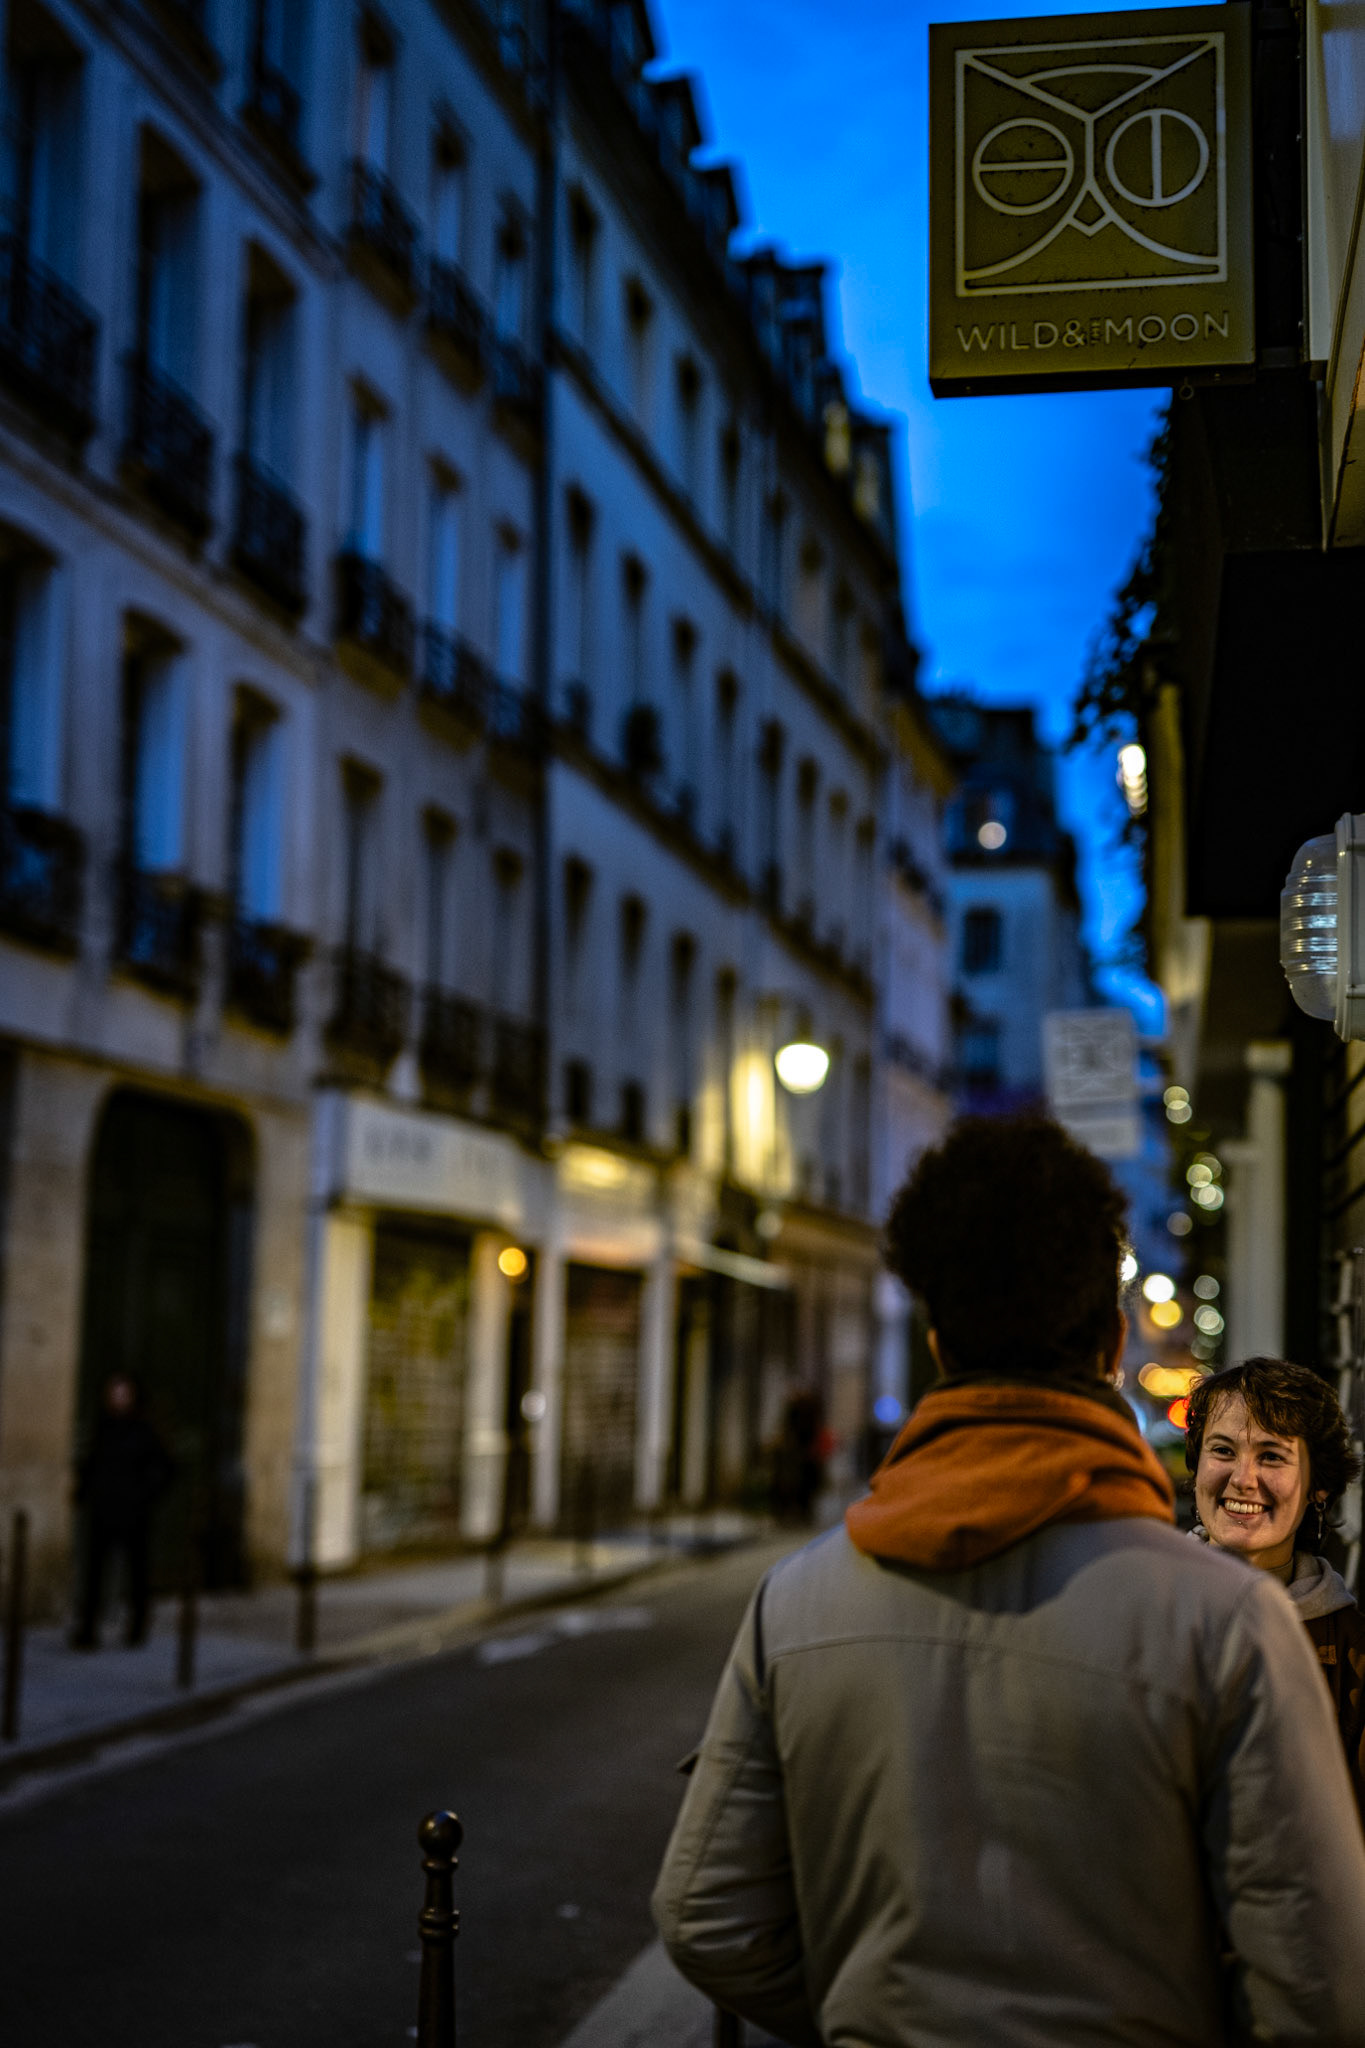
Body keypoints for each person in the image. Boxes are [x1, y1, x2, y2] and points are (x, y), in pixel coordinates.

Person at [653, 1115, 1365, 2047]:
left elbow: (708, 1916)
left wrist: (873, 2013)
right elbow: (1324, 1989)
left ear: (940, 1341)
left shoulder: (794, 1601)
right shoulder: (1226, 1621)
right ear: (1113, 1346)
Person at [1187, 1355, 1365, 1823]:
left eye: (1271, 1456)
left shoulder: (1352, 1652)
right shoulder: (1140, 1612)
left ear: (1317, 1489)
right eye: (1223, 1450)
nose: (1243, 1479)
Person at [72, 1373, 174, 1650]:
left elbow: (163, 1468)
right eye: (113, 1392)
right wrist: (83, 1492)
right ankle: (88, 1629)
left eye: (122, 1392)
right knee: (95, 1573)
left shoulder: (144, 1430)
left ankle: (137, 1626)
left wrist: (144, 1496)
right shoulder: (103, 1427)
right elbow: (91, 1463)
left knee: (137, 1572)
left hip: (133, 1513)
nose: (116, 1398)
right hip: (103, 1509)